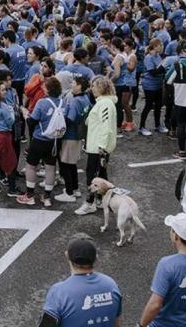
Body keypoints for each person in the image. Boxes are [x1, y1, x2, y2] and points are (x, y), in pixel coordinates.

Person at [40, 233, 122, 327]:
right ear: (96, 257)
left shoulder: (58, 292)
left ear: (67, 255)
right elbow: (116, 324)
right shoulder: (111, 285)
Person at [18, 76, 64, 207]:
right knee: (50, 167)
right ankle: (47, 196)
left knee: (31, 166)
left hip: (40, 139)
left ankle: (29, 195)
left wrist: (25, 113)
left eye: (44, 86)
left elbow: (32, 121)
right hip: (55, 140)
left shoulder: (42, 103)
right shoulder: (62, 102)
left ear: (48, 89)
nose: (42, 87)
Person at [76, 76, 117, 215]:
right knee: (102, 174)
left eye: (94, 86)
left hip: (98, 147)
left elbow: (106, 127)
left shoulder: (104, 104)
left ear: (101, 87)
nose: (91, 88)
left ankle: (90, 202)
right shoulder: (103, 103)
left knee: (92, 176)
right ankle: (102, 200)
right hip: (98, 146)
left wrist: (101, 147)